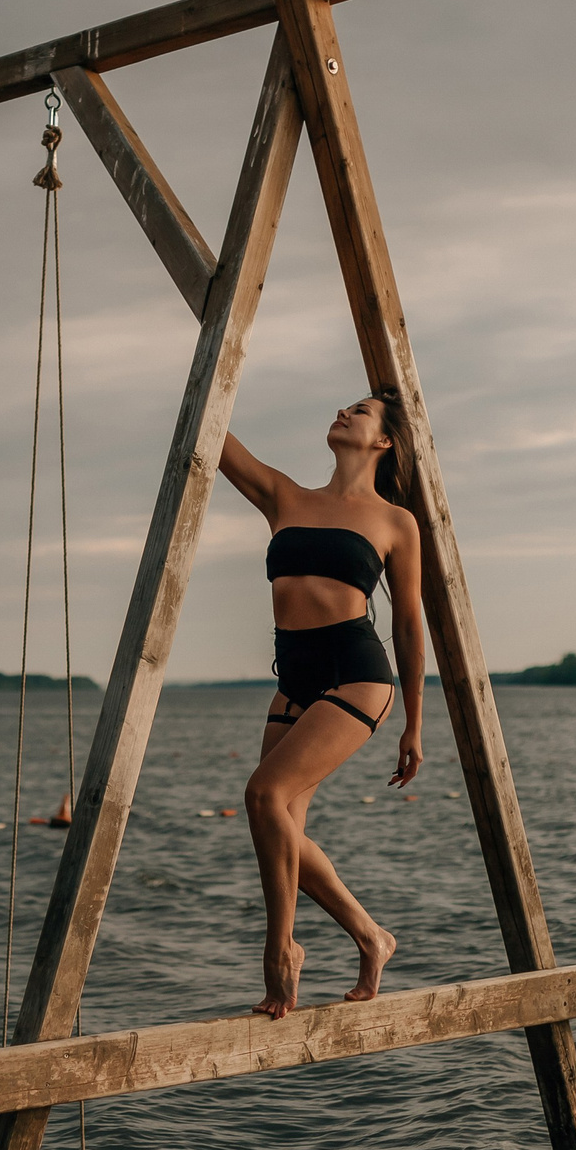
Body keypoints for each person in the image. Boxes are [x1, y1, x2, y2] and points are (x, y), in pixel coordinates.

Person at [218, 388, 425, 1019]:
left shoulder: (396, 522)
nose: (343, 412)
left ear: (383, 441)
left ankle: (281, 954)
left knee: (262, 797)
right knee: (278, 825)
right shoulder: (286, 496)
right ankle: (371, 936)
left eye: (359, 411)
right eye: (344, 407)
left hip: (356, 674)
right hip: (295, 676)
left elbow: (410, 623)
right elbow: (214, 436)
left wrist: (415, 722)